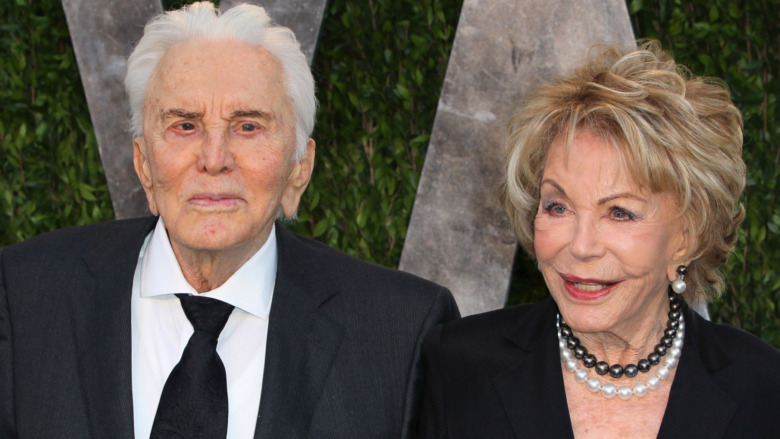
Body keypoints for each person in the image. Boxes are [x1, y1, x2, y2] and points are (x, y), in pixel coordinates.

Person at [0, 2, 458, 438]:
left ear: (299, 167)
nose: (214, 159)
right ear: (144, 165)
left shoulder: (403, 332)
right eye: (184, 125)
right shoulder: (23, 297)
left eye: (248, 126)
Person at [419, 41, 780, 438]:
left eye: (620, 212)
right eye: (558, 207)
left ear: (687, 238)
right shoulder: (457, 365)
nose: (581, 246)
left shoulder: (764, 390)